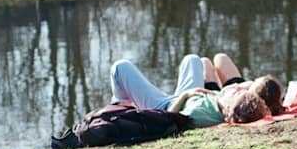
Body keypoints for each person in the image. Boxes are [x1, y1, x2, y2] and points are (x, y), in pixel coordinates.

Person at [110, 54, 269, 128]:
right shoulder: (224, 104)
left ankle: (119, 109)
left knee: (120, 67)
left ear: (230, 107)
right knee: (192, 59)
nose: (235, 89)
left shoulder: (198, 113)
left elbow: (168, 118)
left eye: (236, 94)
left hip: (163, 106)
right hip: (190, 95)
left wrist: (185, 95)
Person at [203, 53, 285, 117]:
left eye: (255, 81)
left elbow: (224, 93)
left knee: (204, 62)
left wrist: (235, 88)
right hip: (234, 90)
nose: (253, 81)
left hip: (215, 98)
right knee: (220, 57)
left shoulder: (244, 107)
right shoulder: (260, 94)